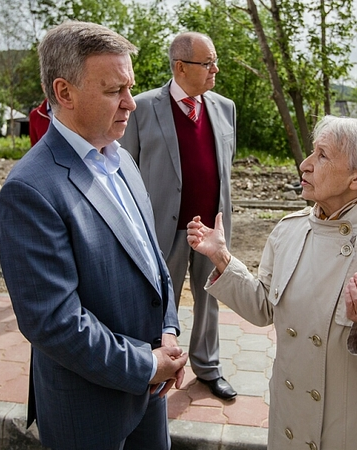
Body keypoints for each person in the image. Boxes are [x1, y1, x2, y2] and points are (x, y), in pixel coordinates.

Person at [187, 116, 357, 450]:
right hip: (288, 422)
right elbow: (263, 308)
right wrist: (222, 258)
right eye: (311, 153)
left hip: (352, 433)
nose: (305, 165)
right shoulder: (288, 230)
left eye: (322, 155)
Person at [0, 21, 188, 450]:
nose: (131, 103)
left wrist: (169, 333)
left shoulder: (121, 159)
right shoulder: (29, 189)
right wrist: (146, 363)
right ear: (64, 93)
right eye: (113, 90)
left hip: (150, 390)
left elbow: (152, 260)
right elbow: (54, 321)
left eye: (130, 86)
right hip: (87, 408)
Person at [118, 32, 237, 400]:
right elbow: (126, 171)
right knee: (154, 299)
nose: (215, 69)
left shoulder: (224, 107)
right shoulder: (141, 107)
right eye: (208, 63)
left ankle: (208, 366)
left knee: (211, 297)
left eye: (215, 61)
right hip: (161, 229)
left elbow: (223, 167)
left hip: (211, 228)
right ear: (180, 67)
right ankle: (154, 365)